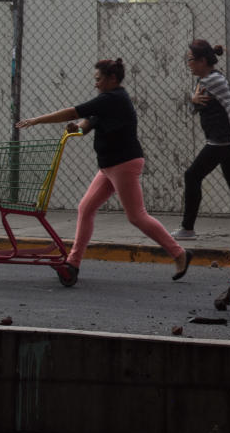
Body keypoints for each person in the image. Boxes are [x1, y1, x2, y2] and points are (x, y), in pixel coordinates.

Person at [16, 58, 192, 281]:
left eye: (98, 79)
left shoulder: (114, 98)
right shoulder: (106, 100)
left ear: (112, 79)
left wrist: (37, 120)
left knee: (137, 216)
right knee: (85, 208)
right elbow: (86, 124)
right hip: (109, 166)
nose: (95, 84)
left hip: (124, 163)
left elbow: (74, 112)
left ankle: (179, 253)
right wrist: (76, 129)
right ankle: (73, 264)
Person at [173, 40, 230, 239]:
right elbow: (196, 108)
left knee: (192, 176)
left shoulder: (215, 80)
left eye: (190, 60)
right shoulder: (203, 81)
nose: (188, 63)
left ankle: (187, 228)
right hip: (221, 140)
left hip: (220, 141)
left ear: (202, 61)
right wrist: (193, 101)